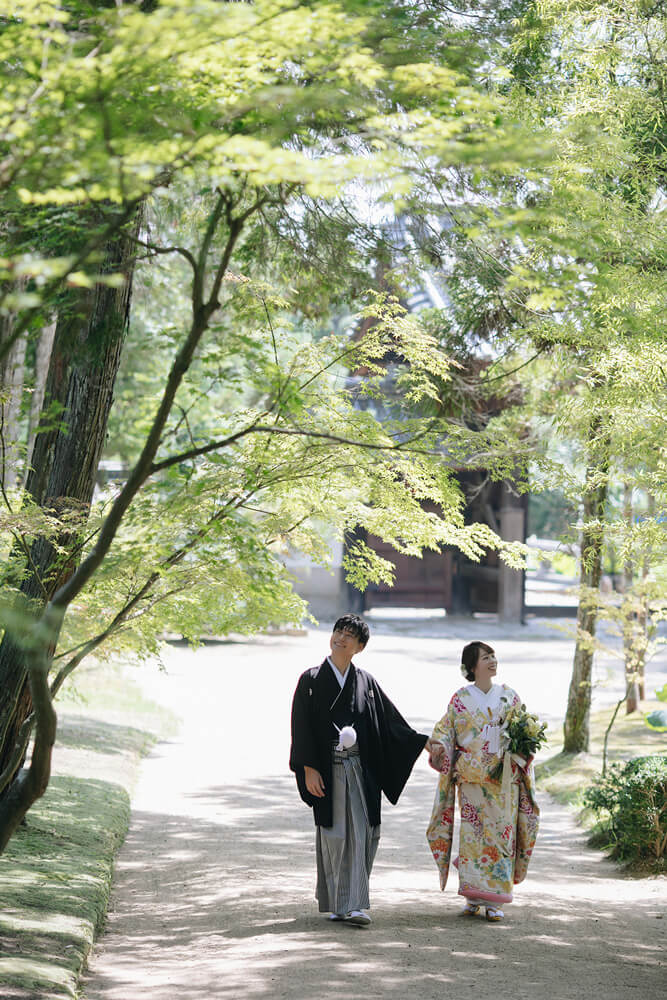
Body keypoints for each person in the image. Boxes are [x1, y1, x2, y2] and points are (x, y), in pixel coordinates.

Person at [290, 613, 431, 926]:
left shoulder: (366, 682)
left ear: (359, 647)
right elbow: (300, 727)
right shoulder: (311, 679)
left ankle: (356, 904)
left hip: (359, 769)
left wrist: (422, 742)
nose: (341, 637)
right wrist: (309, 768)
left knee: (363, 834)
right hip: (328, 768)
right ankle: (338, 903)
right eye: (338, 631)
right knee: (335, 835)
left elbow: (391, 723)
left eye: (349, 635)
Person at [426, 641, 539, 922]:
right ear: (471, 666)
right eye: (486, 657)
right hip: (472, 781)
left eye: (493, 656)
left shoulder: (509, 697)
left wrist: (524, 747)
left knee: (502, 838)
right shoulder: (460, 699)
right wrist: (439, 747)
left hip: (503, 781)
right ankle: (473, 895)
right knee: (474, 839)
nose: (492, 661)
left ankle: (494, 901)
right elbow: (445, 730)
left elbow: (523, 730)